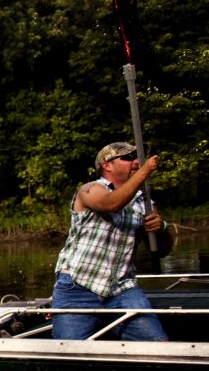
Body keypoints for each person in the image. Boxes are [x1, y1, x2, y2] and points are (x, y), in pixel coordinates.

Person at [50, 142, 166, 341]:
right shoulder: (90, 189)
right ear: (107, 165)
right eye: (128, 158)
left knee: (158, 345)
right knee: (69, 351)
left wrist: (161, 228)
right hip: (78, 286)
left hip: (122, 287)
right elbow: (111, 204)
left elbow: (162, 250)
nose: (137, 161)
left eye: (138, 157)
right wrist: (144, 172)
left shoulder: (145, 203)